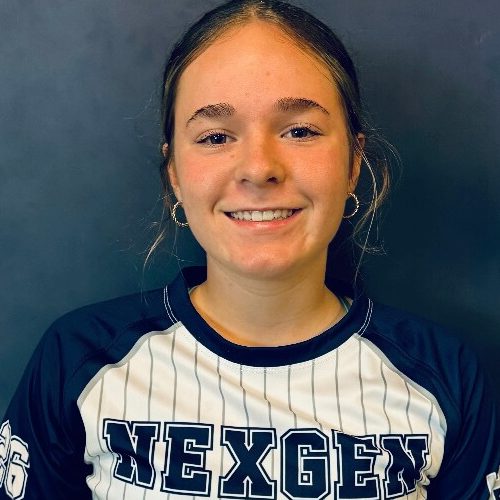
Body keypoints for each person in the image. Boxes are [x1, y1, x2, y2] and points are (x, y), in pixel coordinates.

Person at [1, 0, 498, 498]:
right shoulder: (79, 360)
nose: (259, 169)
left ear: (353, 163)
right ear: (175, 174)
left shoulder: (444, 377)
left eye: (300, 130)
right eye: (216, 136)